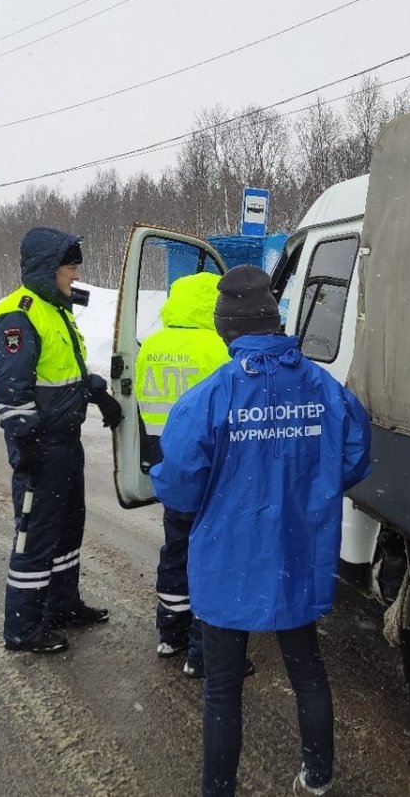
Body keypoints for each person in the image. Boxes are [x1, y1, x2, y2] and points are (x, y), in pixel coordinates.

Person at [150, 264, 371, 797]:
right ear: (275, 321)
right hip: (299, 549)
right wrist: (310, 488)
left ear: (226, 329)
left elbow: (178, 486)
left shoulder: (209, 397)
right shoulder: (324, 388)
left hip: (228, 557)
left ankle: (218, 789)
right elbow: (355, 456)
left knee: (223, 687)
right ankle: (317, 777)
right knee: (307, 669)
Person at [0, 226, 124, 654]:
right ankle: (22, 628)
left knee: (68, 527)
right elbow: (11, 390)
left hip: (66, 441)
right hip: (41, 445)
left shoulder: (56, 310)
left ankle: (61, 604)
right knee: (36, 535)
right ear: (48, 267)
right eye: (69, 265)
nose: (76, 273)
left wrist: (98, 393)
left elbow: (68, 370)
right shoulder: (20, 315)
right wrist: (25, 440)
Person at [134, 271, 228, 668]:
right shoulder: (216, 347)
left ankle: (170, 633)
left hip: (167, 465)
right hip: (208, 468)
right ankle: (202, 651)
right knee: (210, 555)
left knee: (176, 547)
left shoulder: (151, 344)